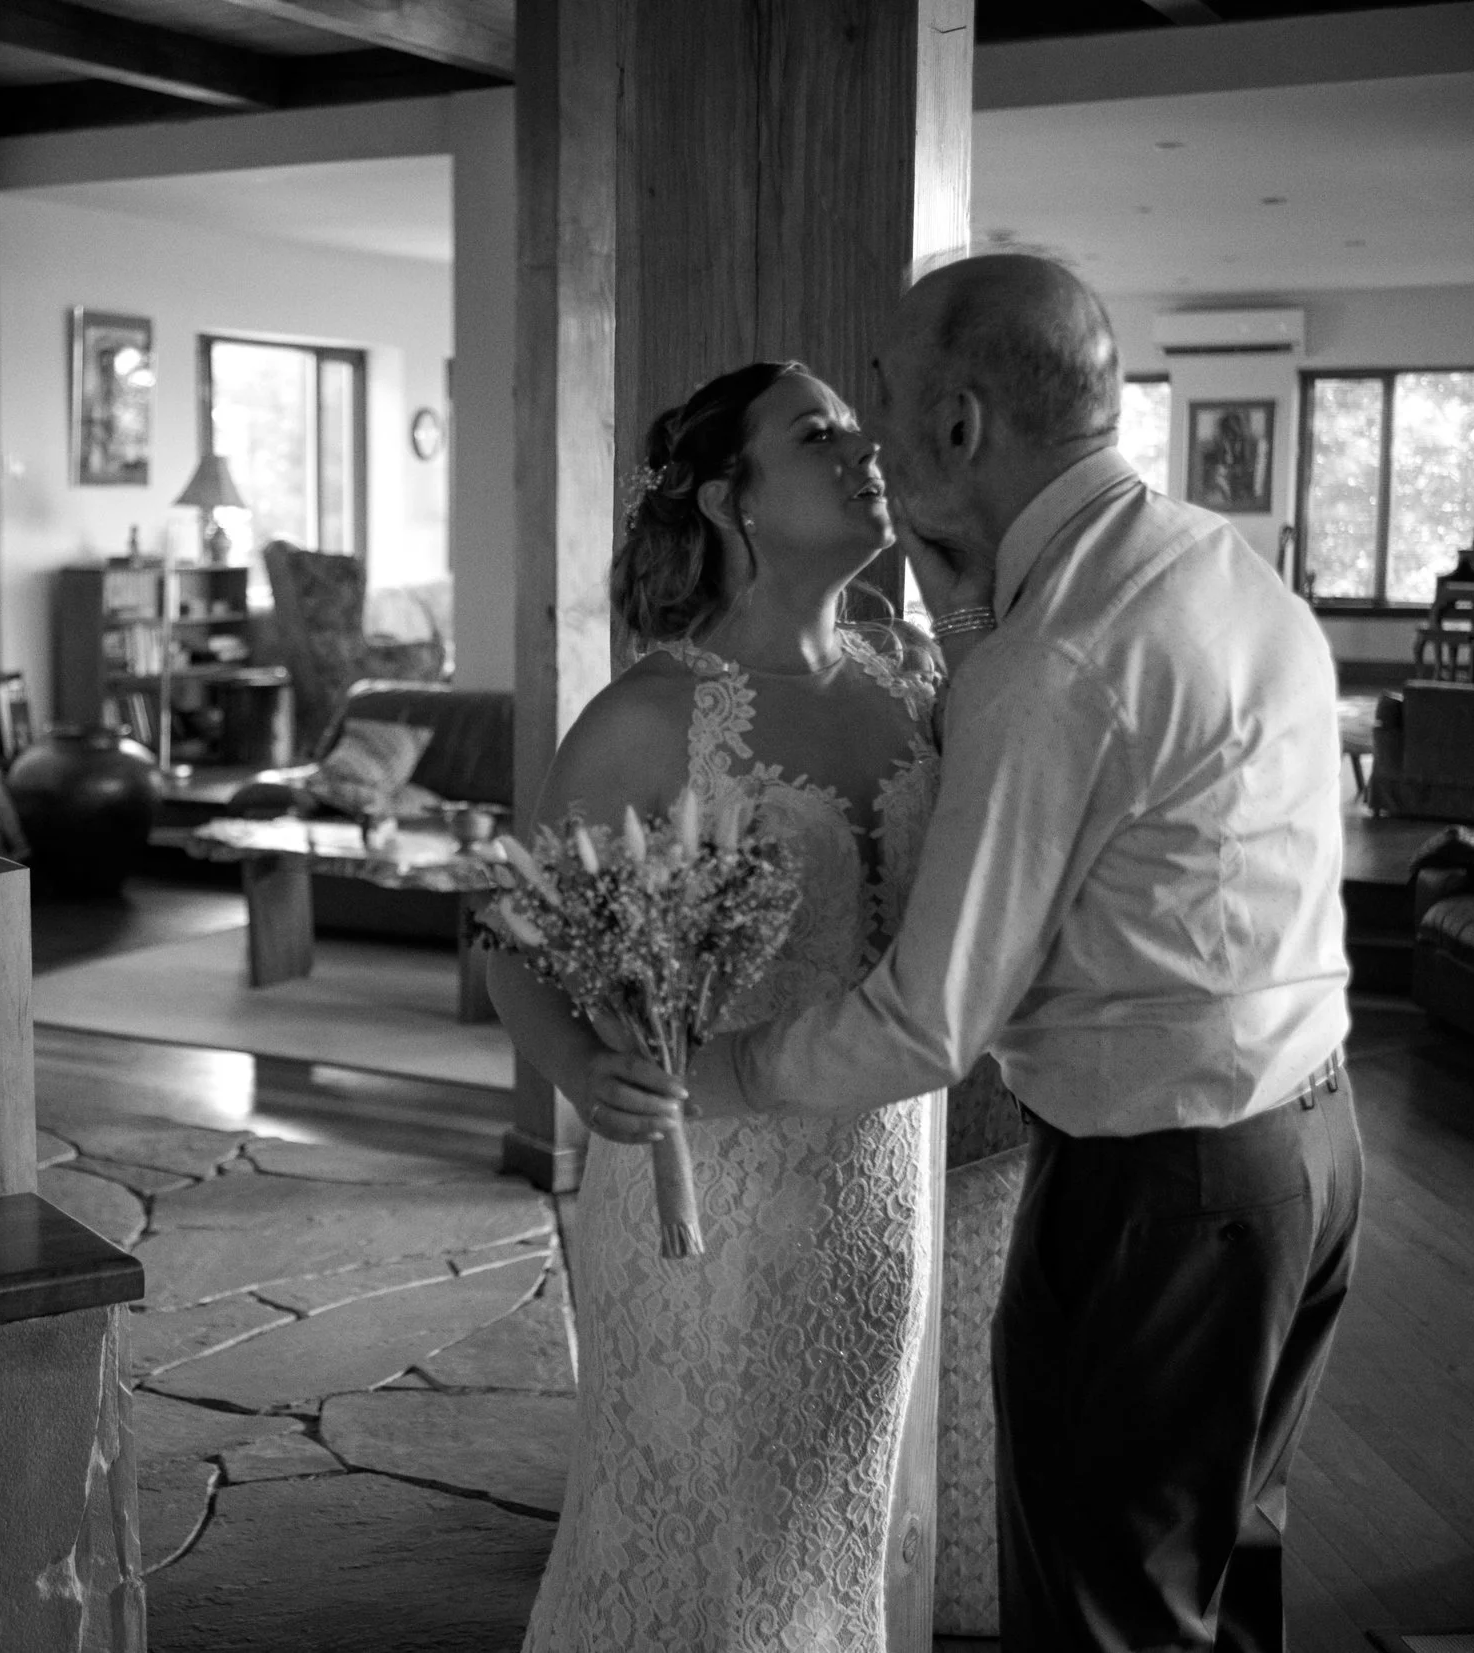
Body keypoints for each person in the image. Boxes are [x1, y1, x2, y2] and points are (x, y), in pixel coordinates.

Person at [588, 254, 1361, 1653]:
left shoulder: (1044, 661)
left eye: (878, 402)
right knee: (1223, 1565)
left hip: (1161, 1193)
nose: (868, 444)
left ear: (957, 424)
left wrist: (716, 1076)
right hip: (1308, 1147)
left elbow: (928, 1024)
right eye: (827, 426)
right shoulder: (1205, 557)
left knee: (1107, 1614)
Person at [494, 361, 946, 1652]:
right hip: (710, 1199)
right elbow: (519, 947)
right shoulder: (650, 718)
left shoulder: (918, 681)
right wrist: (587, 1074)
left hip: (882, 1182)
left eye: (858, 427)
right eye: (818, 434)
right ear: (728, 497)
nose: (863, 450)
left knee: (824, 1532)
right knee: (696, 1544)